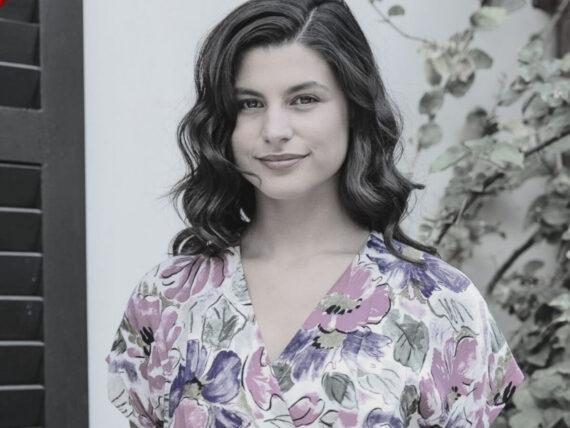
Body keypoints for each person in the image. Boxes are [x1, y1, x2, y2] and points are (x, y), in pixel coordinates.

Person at [106, 0, 525, 426]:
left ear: (353, 108)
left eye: (303, 99)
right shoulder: (167, 297)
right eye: (250, 104)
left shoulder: (441, 303)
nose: (274, 130)